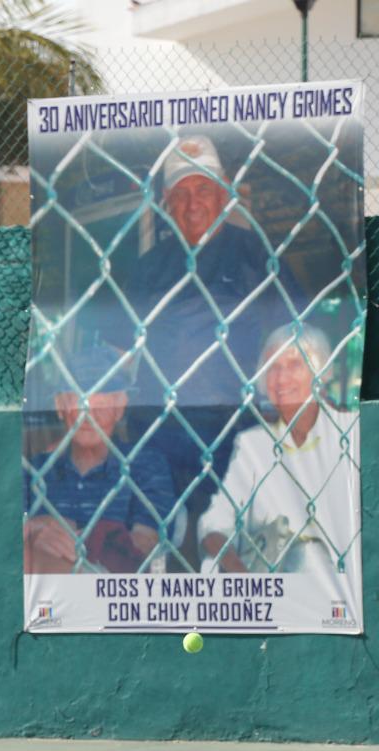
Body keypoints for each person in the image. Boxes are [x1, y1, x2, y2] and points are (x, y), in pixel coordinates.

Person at [110, 133, 304, 536]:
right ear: (166, 203)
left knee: (234, 541)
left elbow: (299, 336)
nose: (193, 203)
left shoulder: (258, 257)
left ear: (223, 194)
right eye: (180, 194)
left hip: (235, 430)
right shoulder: (148, 269)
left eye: (203, 189)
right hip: (158, 433)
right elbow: (117, 351)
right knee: (161, 544)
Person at [197, 326, 360, 593]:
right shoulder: (253, 444)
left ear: (323, 372)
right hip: (271, 584)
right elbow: (216, 521)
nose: (281, 378)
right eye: (273, 367)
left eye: (295, 364)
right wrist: (244, 579)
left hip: (343, 584)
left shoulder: (352, 432)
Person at [24, 342, 177, 574]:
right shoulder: (35, 469)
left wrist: (67, 533)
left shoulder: (146, 465)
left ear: (120, 408)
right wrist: (35, 529)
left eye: (102, 405)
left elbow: (147, 543)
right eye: (80, 404)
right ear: (60, 406)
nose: (89, 417)